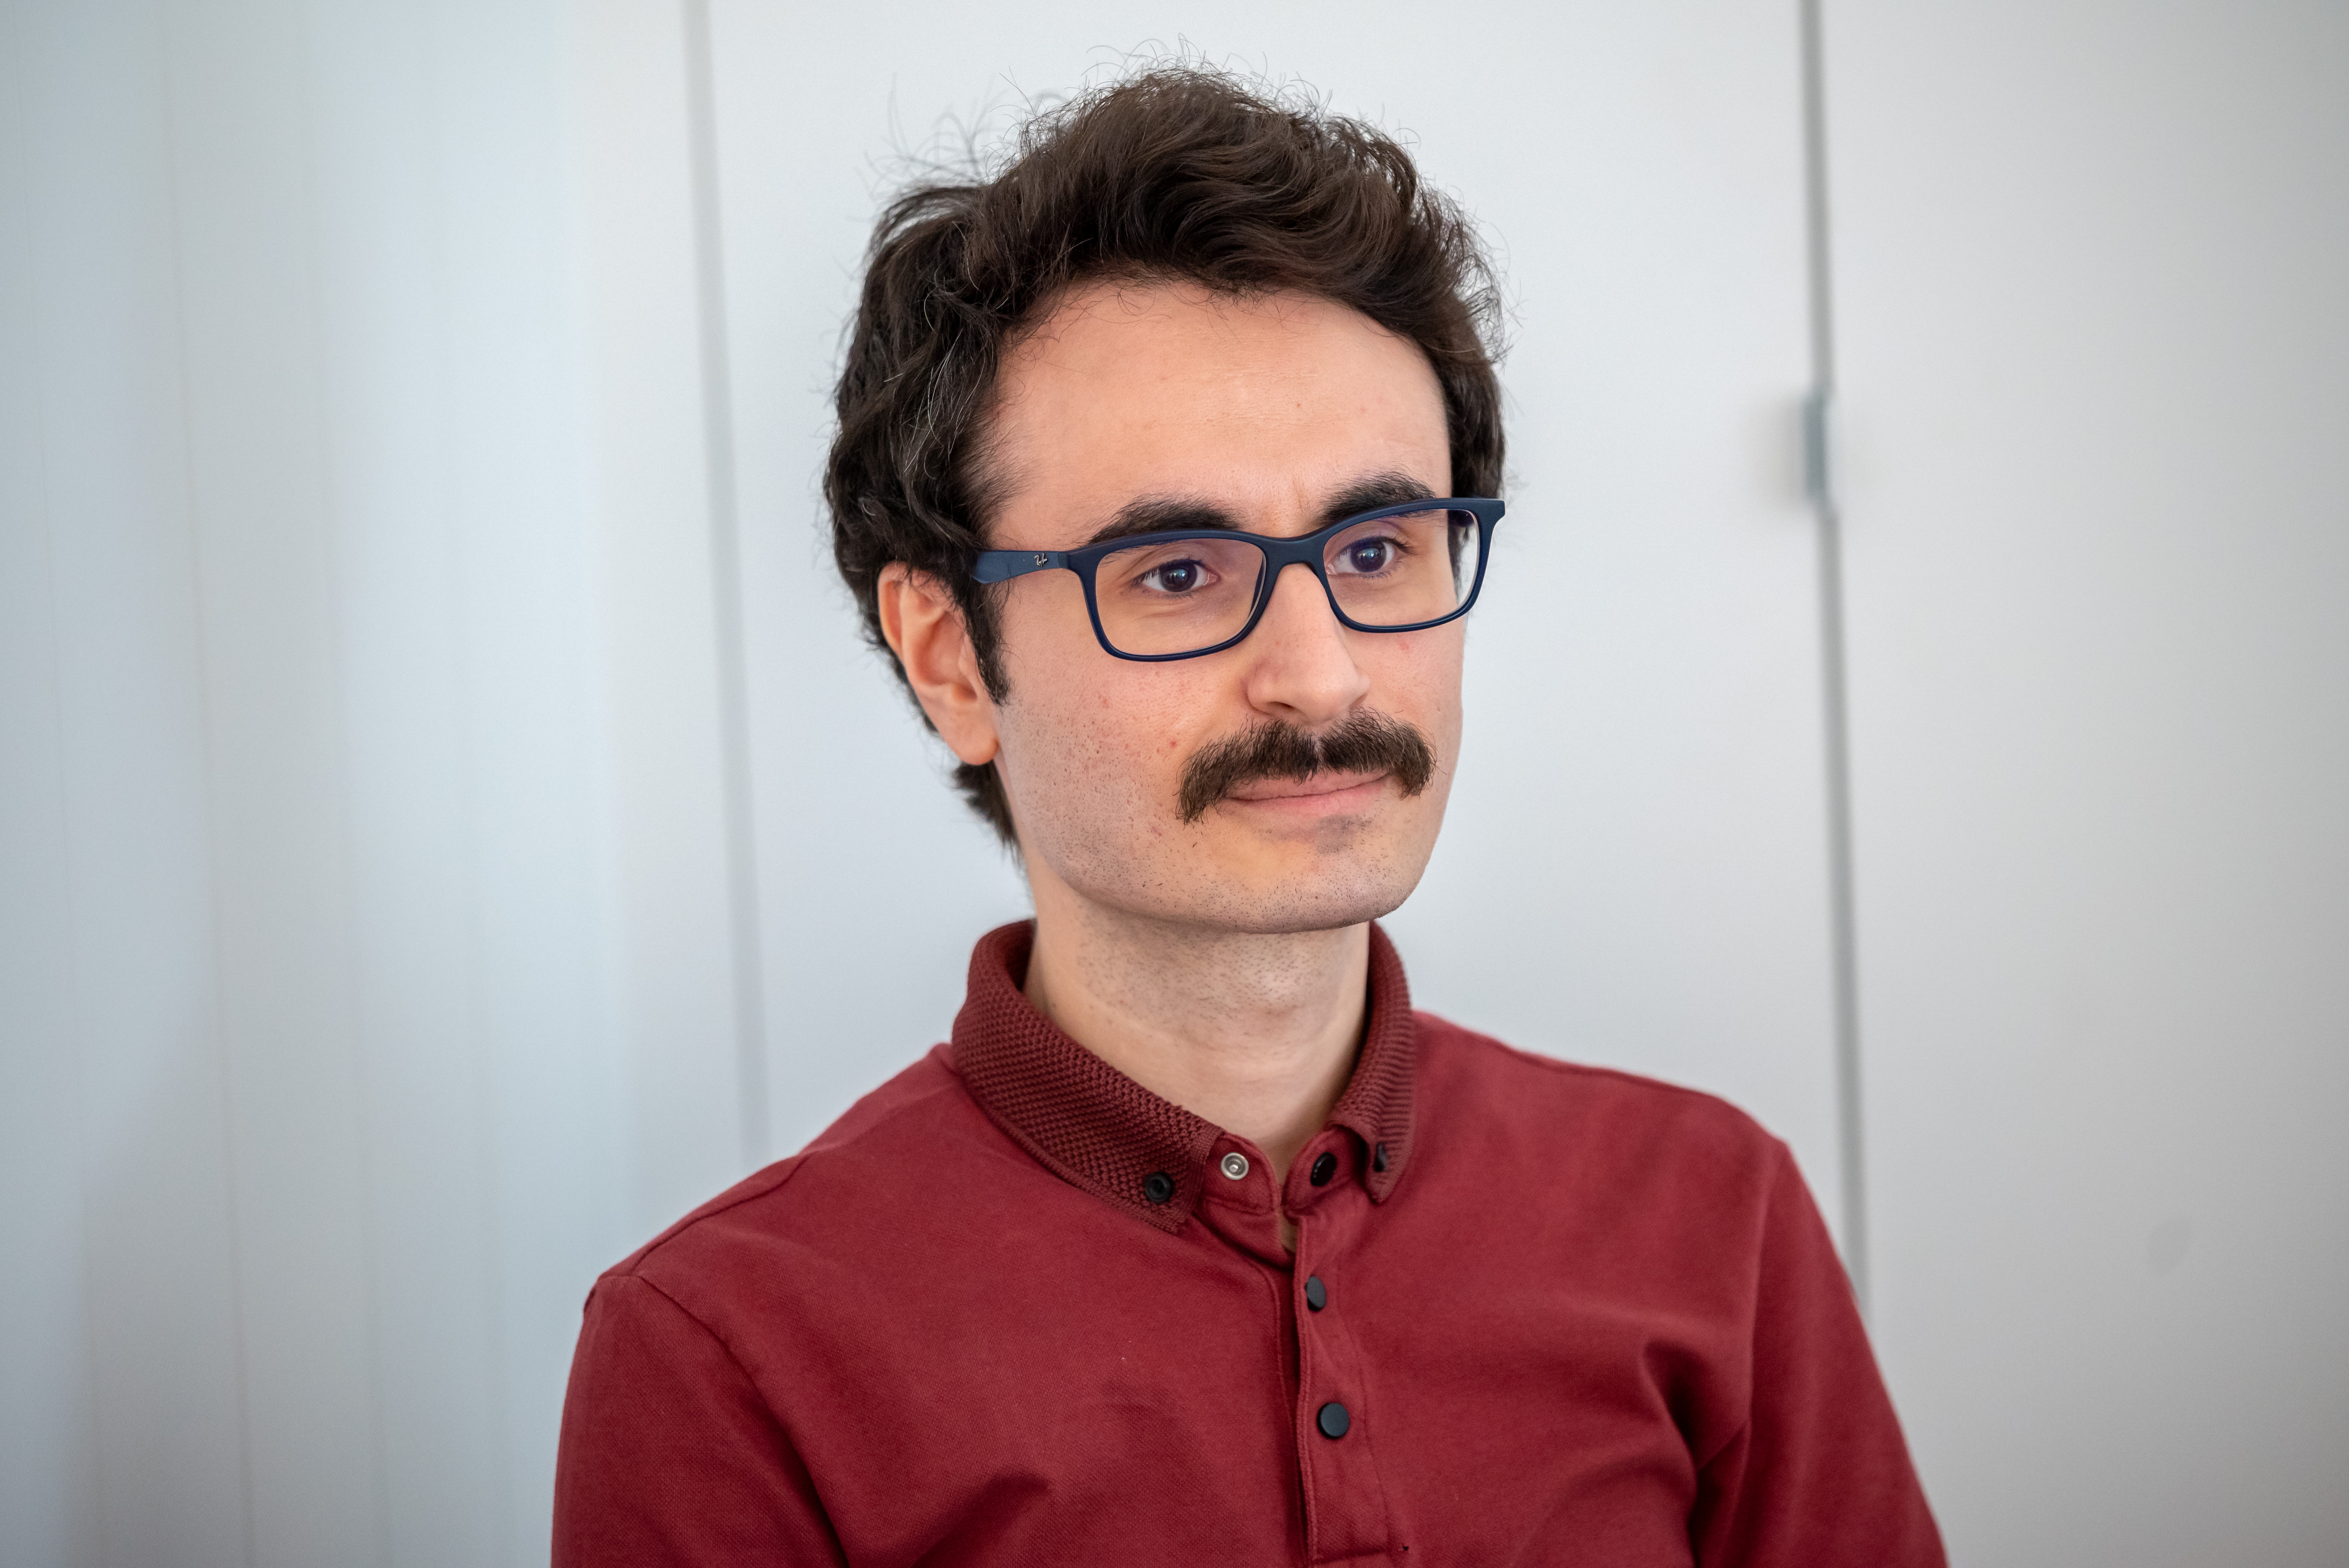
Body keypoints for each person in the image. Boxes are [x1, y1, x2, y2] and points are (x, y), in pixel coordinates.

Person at [552, 66, 1942, 1566]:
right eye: (1177, 574)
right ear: (951, 659)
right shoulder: (726, 1356)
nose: (1322, 675)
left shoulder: (1712, 1220)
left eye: (1380, 548)